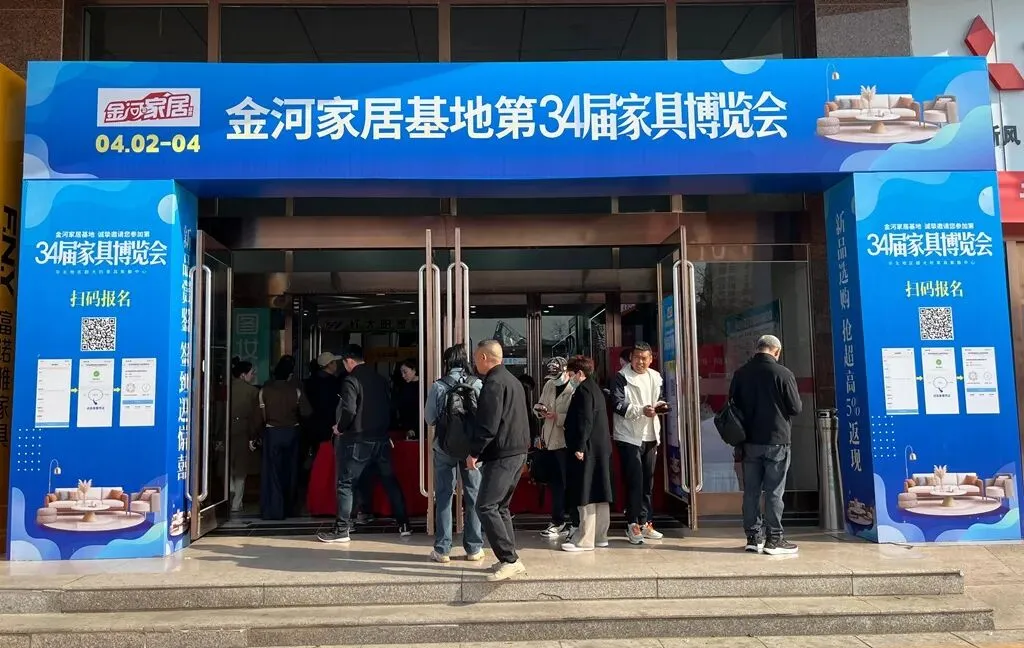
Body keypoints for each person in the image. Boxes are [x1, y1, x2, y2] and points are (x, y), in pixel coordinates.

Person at [317, 345, 411, 543]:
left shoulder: (351, 380)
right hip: (382, 439)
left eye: (344, 362)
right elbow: (391, 406)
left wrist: (339, 428)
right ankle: (404, 524)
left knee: (346, 483)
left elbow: (349, 410)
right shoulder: (380, 379)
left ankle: (342, 529)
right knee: (389, 481)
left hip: (358, 440)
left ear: (350, 361)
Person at [729, 334, 803, 556]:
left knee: (751, 491)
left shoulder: (741, 373)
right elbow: (796, 408)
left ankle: (753, 538)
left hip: (749, 440)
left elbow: (732, 405)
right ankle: (775, 539)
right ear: (776, 351)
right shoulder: (783, 373)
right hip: (777, 440)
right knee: (774, 491)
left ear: (758, 348)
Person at [469, 340, 531, 581]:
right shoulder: (513, 380)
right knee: (501, 506)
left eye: (476, 358)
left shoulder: (493, 383)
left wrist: (474, 452)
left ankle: (509, 560)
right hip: (517, 451)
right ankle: (510, 557)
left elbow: (488, 424)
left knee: (485, 506)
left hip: (502, 453)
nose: (475, 363)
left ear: (484, 357)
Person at [424, 344, 485, 563]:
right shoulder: (477, 384)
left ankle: (442, 549)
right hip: (472, 450)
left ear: (447, 362)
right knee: (473, 495)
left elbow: (430, 418)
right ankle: (474, 548)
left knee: (443, 495)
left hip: (444, 447)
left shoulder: (439, 386)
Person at [611, 342, 667, 545]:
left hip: (651, 434)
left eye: (644, 358)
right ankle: (632, 523)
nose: (640, 362)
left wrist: (660, 406)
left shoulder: (655, 376)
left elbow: (660, 398)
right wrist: (641, 410)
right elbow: (617, 404)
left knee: (647, 482)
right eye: (636, 358)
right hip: (628, 436)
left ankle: (645, 521)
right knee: (634, 480)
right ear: (630, 358)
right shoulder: (621, 377)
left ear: (651, 359)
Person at [560, 355, 613, 553]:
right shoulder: (596, 389)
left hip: (587, 449)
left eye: (570, 373)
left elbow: (585, 421)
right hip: (600, 448)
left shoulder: (583, 391)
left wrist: (580, 447)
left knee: (585, 492)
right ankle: (600, 536)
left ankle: (585, 540)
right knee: (600, 491)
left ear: (579, 373)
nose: (569, 377)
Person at [258, 356, 312, 520]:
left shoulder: (265, 390)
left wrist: (255, 436)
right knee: (291, 471)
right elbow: (307, 412)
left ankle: (273, 509)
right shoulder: (295, 390)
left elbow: (259, 416)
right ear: (290, 375)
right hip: (292, 433)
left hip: (272, 432)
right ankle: (290, 508)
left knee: (272, 473)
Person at [535, 357, 580, 540]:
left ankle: (570, 521)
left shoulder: (575, 387)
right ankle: (557, 520)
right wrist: (540, 410)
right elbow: (540, 404)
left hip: (565, 442)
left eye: (557, 375)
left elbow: (577, 415)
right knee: (554, 483)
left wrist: (558, 416)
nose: (555, 379)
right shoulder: (549, 385)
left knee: (566, 482)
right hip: (549, 440)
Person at [305, 352, 343, 517]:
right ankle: (330, 500)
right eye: (334, 363)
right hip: (330, 428)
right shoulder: (333, 383)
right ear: (329, 365)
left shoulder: (310, 382)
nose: (336, 365)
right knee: (331, 464)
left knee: (317, 464)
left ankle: (316, 499)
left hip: (314, 427)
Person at [229, 358, 262, 513]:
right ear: (243, 375)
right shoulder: (252, 392)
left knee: (227, 466)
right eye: (251, 373)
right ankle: (236, 503)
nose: (253, 376)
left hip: (226, 430)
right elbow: (255, 416)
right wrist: (254, 436)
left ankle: (229, 492)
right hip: (243, 430)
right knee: (241, 469)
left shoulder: (226, 388)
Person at [395, 358, 421, 439]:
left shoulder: (424, 386)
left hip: (421, 428)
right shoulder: (403, 387)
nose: (403, 375)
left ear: (414, 370)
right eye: (401, 373)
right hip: (406, 428)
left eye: (405, 372)